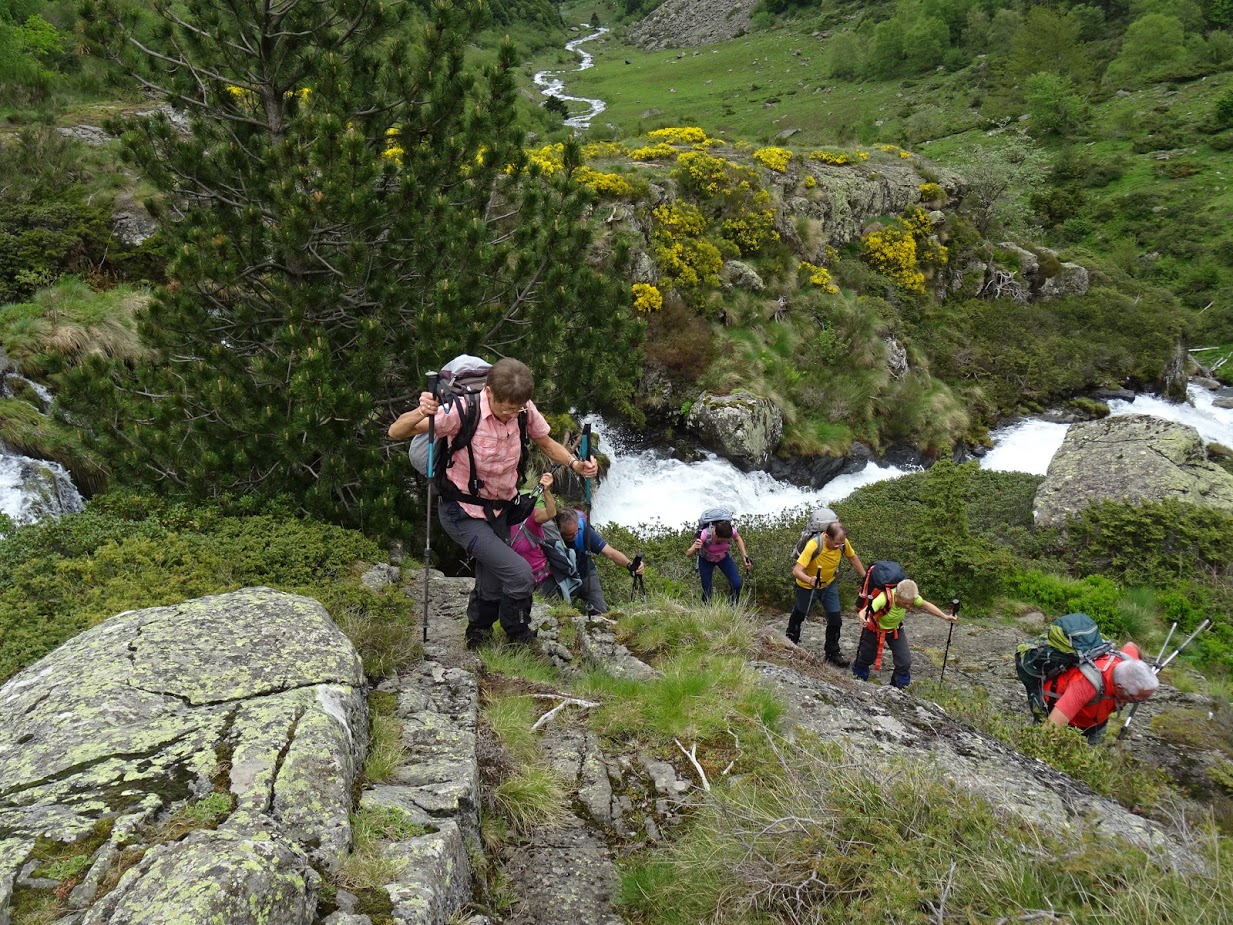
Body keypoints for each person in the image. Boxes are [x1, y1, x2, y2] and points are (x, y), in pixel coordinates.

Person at [388, 358, 597, 648]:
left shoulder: (523, 409)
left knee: (493, 578)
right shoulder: (463, 411)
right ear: (488, 393)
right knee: (519, 574)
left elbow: (546, 442)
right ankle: (518, 637)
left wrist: (575, 463)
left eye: (517, 408)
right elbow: (396, 431)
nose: (511, 414)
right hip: (461, 512)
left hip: (500, 510)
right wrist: (420, 411)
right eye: (505, 407)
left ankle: (478, 633)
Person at [850, 579, 956, 689]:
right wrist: (863, 618)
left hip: (895, 630)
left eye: (911, 603)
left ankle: (898, 688)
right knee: (866, 658)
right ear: (896, 596)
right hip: (875, 630)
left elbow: (925, 605)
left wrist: (945, 616)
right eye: (905, 603)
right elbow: (865, 611)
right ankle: (858, 679)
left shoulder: (910, 597)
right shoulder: (884, 598)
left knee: (904, 662)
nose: (908, 606)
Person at [1043, 643, 1158, 743]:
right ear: (1120, 688)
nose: (1139, 703)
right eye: (1138, 700)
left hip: (1096, 723)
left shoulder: (1128, 662)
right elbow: (1050, 728)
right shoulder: (1085, 685)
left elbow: (1131, 645)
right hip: (1070, 722)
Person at [786, 521, 866, 665]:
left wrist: (866, 578)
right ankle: (790, 643)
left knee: (835, 619)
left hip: (829, 585)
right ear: (827, 536)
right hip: (807, 586)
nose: (838, 546)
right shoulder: (814, 545)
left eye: (840, 544)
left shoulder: (842, 543)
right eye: (836, 543)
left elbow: (853, 558)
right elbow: (796, 571)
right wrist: (809, 579)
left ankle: (832, 652)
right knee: (800, 614)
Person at [554, 508, 644, 615]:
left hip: (585, 573)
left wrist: (629, 565)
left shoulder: (585, 532)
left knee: (599, 611)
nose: (574, 536)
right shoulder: (551, 534)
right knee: (557, 610)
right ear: (559, 530)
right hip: (560, 577)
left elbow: (610, 552)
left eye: (576, 531)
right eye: (568, 535)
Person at [508, 471, 561, 593]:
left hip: (542, 580)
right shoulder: (498, 520)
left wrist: (547, 491)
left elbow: (550, 513)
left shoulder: (529, 515)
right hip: (514, 581)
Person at [685, 519, 750, 605]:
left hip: (723, 558)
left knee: (736, 584)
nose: (723, 542)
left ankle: (732, 607)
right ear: (715, 533)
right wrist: (694, 548)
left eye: (726, 540)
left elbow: (737, 538)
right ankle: (706, 609)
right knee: (707, 589)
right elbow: (688, 554)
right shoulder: (704, 535)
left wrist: (744, 556)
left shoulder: (731, 532)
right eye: (721, 540)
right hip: (706, 560)